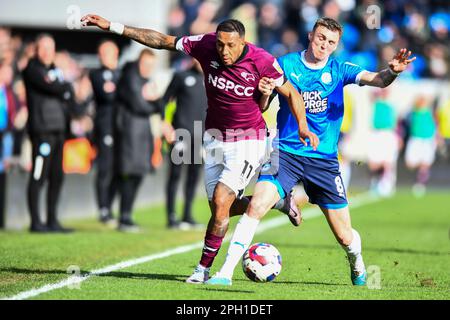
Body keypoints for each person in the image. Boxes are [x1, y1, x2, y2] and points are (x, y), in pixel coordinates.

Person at [81, 15, 318, 282]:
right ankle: (278, 201)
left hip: (249, 140)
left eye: (230, 45)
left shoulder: (262, 61)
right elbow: (161, 41)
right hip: (215, 137)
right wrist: (113, 27)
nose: (224, 51)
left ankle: (203, 269)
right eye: (220, 45)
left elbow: (293, 94)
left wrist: (303, 126)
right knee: (221, 210)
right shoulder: (204, 45)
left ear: (243, 43)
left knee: (220, 202)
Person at [207, 17, 416, 286]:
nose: (324, 45)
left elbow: (378, 79)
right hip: (286, 153)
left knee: (344, 237)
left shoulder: (341, 69)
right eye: (321, 38)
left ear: (336, 45)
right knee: (257, 205)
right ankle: (224, 273)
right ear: (310, 35)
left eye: (331, 42)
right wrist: (264, 91)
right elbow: (262, 105)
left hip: (324, 161)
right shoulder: (285, 64)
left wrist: (394, 72)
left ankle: (357, 262)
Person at [114, 49, 171, 232]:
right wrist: (153, 103)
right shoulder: (130, 78)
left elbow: (160, 104)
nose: (148, 68)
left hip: (142, 132)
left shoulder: (146, 81)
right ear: (139, 62)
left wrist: (154, 102)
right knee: (129, 174)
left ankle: (127, 215)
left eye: (151, 66)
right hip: (130, 131)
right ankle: (122, 216)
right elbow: (139, 104)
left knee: (138, 174)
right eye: (145, 64)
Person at [22, 34, 75, 233]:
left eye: (50, 49)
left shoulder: (54, 71)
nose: (46, 53)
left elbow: (64, 90)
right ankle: (36, 222)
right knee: (39, 176)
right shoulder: (32, 69)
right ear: (36, 50)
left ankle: (52, 220)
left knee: (57, 177)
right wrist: (64, 87)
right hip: (42, 131)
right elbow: (55, 87)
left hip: (59, 131)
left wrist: (64, 87)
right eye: (43, 48)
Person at [162, 59, 206, 230]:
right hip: (180, 133)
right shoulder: (181, 76)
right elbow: (164, 100)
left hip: (202, 136)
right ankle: (171, 216)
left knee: (194, 176)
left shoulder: (212, 79)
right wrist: (165, 124)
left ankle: (187, 215)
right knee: (175, 174)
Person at [89, 40, 121, 224]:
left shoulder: (121, 73)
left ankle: (109, 206)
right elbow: (107, 95)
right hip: (105, 127)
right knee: (105, 169)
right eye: (101, 52)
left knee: (119, 169)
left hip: (120, 127)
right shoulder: (96, 74)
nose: (103, 56)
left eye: (107, 52)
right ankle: (102, 209)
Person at [367, 88, 401, 197]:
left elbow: (395, 124)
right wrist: (379, 89)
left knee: (388, 161)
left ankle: (386, 185)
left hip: (388, 134)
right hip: (376, 133)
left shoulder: (391, 106)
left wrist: (398, 137)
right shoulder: (376, 103)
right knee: (374, 162)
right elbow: (370, 93)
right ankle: (376, 182)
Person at [404, 95, 437, 197]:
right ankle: (419, 173)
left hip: (427, 140)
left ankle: (420, 184)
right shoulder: (413, 113)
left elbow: (434, 126)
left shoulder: (429, 114)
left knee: (425, 164)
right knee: (410, 164)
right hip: (416, 140)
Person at [0, 62, 17, 229]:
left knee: (4, 172)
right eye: (6, 72)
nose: (9, 76)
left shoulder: (9, 92)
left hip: (6, 135)